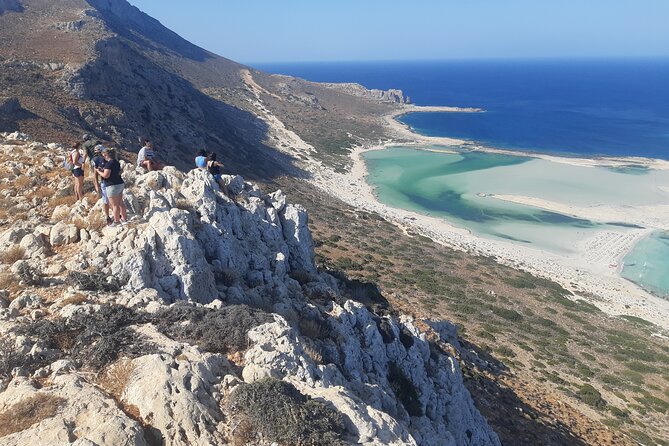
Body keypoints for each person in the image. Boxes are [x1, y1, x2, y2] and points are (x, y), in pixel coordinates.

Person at [96, 147, 128, 226]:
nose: (103, 157)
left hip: (112, 185)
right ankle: (124, 219)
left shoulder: (109, 164)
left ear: (106, 155)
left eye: (104, 155)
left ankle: (116, 221)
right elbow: (120, 171)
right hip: (120, 183)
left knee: (114, 205)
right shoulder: (116, 162)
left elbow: (106, 175)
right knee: (121, 202)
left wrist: (98, 171)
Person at [92, 145, 112, 225]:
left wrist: (96, 184)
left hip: (105, 182)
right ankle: (109, 216)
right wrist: (96, 185)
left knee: (106, 200)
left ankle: (108, 216)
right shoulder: (105, 159)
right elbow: (96, 173)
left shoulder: (95, 160)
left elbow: (95, 173)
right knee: (108, 200)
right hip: (108, 181)